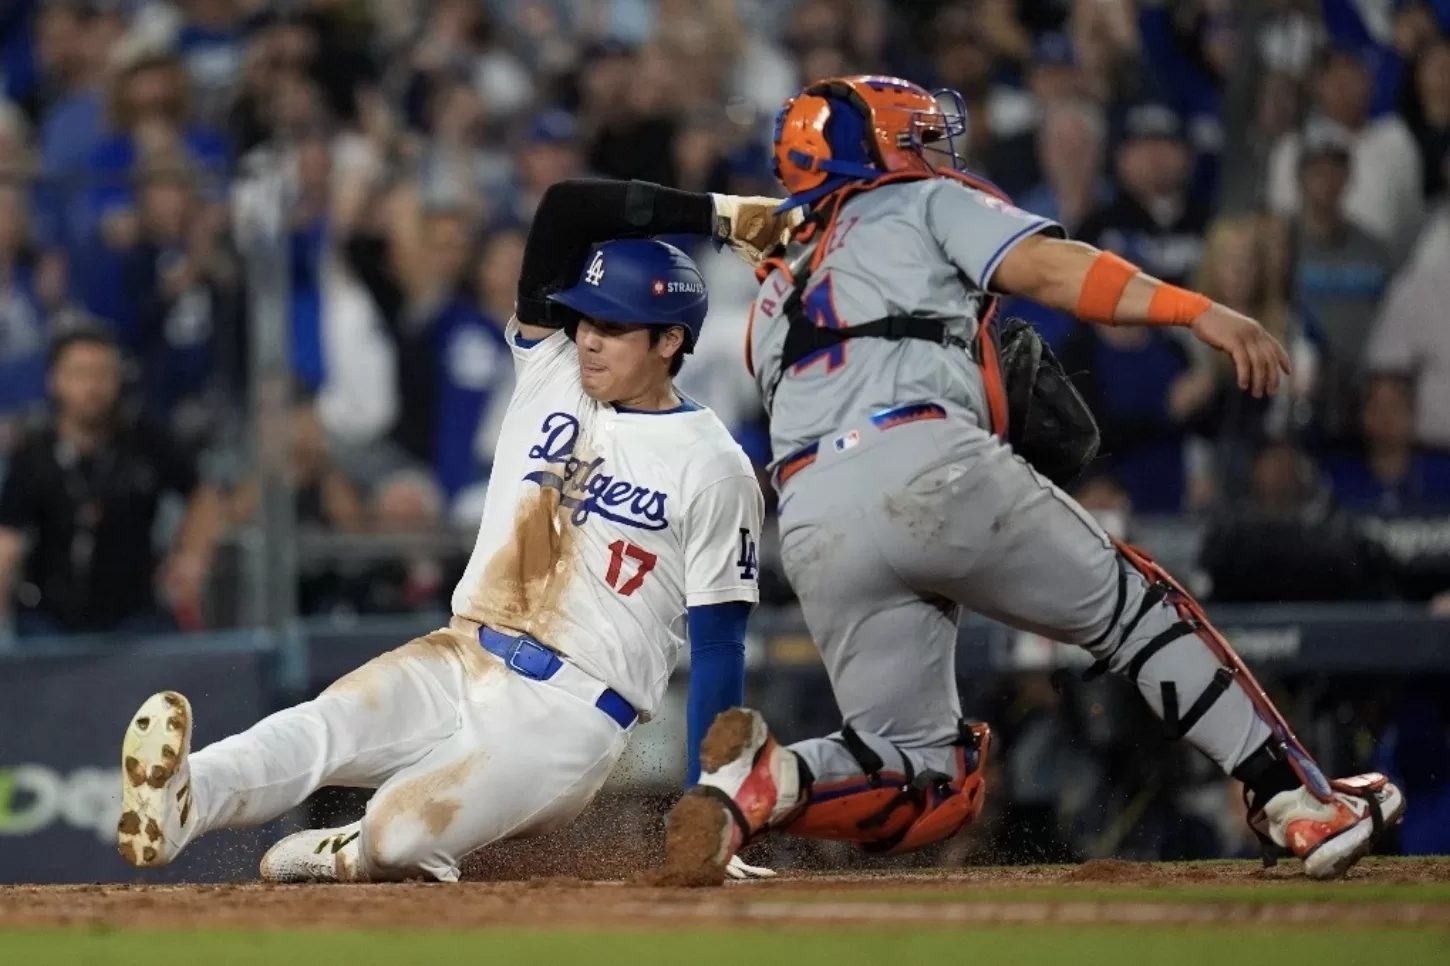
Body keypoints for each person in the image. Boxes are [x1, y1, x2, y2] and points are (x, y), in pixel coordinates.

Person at [654, 76, 1405, 887]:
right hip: (925, 464)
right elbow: (1055, 270)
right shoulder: (923, 202)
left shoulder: (774, 290)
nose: (931, 148)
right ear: (872, 152)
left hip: (810, 516)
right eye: (913, 135)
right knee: (1136, 606)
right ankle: (1298, 800)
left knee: (927, 776)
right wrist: (1198, 312)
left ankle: (769, 782)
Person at [114, 178, 792, 883]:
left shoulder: (715, 466)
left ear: (671, 339)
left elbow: (720, 644)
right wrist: (714, 215)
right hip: (462, 651)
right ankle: (180, 800)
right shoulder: (550, 369)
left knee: (401, 834)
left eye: (613, 327)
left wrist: (716, 806)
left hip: (570, 715)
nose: (588, 338)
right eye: (586, 318)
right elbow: (565, 209)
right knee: (324, 726)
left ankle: (353, 849)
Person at [0, 323, 221, 637]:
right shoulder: (33, 454)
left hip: (135, 616)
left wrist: (190, 558)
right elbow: (6, 541)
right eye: (80, 374)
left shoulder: (148, 442)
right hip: (49, 620)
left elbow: (203, 494)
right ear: (55, 381)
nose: (93, 386)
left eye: (102, 373)